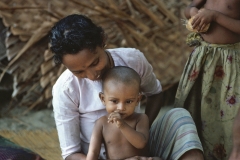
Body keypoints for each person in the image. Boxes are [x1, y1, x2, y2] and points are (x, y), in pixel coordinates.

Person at [49, 14, 204, 160]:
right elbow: (71, 154)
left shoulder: (132, 60)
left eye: (95, 63)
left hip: (140, 144)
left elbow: (155, 93)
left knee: (179, 117)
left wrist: (140, 136)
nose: (91, 75)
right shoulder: (65, 89)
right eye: (78, 71)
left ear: (103, 39)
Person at [174, 0, 240, 159]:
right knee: (199, 110)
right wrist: (194, 14)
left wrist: (215, 17)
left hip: (230, 63)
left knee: (229, 115)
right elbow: (188, 8)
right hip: (204, 60)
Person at [87, 66, 155, 160]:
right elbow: (93, 152)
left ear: (137, 100)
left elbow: (141, 143)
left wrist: (122, 125)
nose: (121, 108)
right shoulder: (101, 123)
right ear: (103, 99)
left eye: (128, 101)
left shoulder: (141, 118)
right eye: (114, 101)